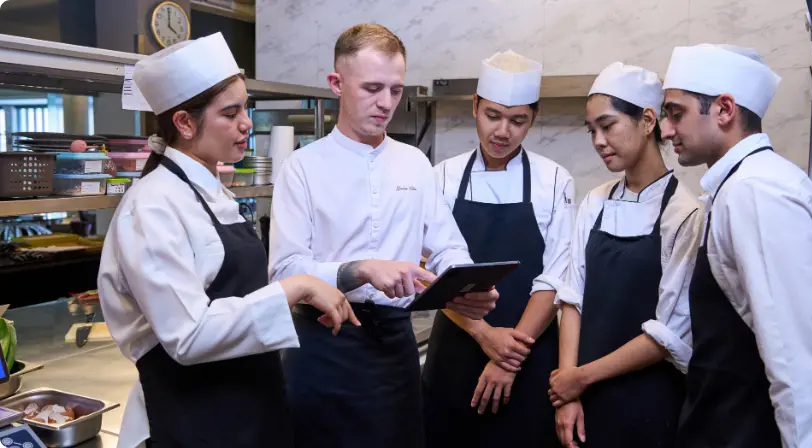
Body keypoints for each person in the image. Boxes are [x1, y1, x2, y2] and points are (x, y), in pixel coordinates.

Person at [97, 33, 359, 448]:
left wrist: (298, 297)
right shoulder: (151, 207)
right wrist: (294, 288)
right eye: (230, 113)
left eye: (245, 108)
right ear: (184, 123)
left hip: (252, 409)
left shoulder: (214, 193)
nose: (246, 123)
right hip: (195, 421)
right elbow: (188, 335)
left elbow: (236, 299)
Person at [269, 24, 500, 448]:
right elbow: (285, 270)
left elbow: (448, 246)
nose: (386, 103)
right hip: (322, 347)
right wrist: (360, 270)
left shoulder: (414, 164)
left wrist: (466, 285)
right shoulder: (302, 168)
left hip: (394, 349)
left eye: (395, 90)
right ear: (337, 83)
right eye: (372, 88)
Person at [660, 44, 812, 448]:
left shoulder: (757, 192)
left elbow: (796, 361)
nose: (665, 131)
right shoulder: (736, 186)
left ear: (724, 109)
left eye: (676, 113)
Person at [421, 50, 573, 448]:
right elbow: (427, 271)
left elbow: (555, 277)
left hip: (529, 357)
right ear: (475, 106)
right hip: (456, 350)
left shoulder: (555, 181)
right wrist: (484, 334)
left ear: (533, 118)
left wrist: (509, 357)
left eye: (518, 120)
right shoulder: (441, 177)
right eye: (493, 115)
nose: (503, 131)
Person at [548, 62, 702, 448]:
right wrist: (568, 390)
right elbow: (572, 297)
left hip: (649, 403)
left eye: (608, 126)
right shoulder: (595, 202)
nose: (598, 140)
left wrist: (581, 377)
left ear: (647, 121)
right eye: (591, 130)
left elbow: (669, 333)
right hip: (583, 399)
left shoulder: (684, 213)